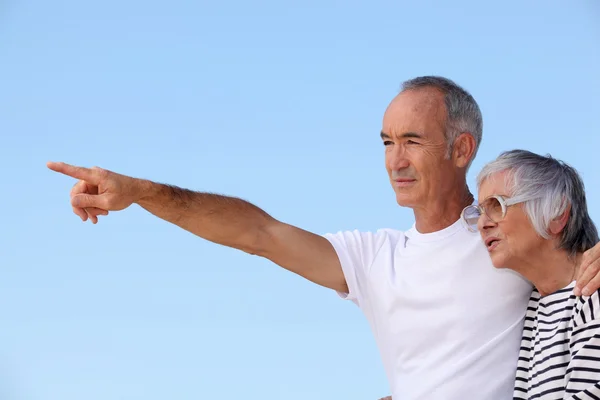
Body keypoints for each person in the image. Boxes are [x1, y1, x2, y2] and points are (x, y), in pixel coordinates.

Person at [46, 76, 600, 399]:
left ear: (461, 149)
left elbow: (571, 249)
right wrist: (141, 191)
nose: (395, 161)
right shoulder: (375, 256)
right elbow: (258, 232)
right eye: (386, 142)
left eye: (412, 140)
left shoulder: (504, 235)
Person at [463, 149, 600, 399]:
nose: (483, 224)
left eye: (496, 205)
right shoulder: (537, 305)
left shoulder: (593, 294)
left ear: (557, 213)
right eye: (480, 211)